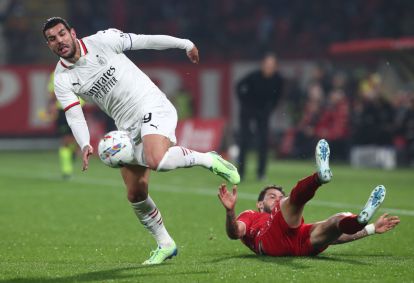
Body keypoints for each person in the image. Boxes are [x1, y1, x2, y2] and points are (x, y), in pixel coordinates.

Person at [42, 17, 240, 265]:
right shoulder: (61, 79)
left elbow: (146, 41)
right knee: (136, 193)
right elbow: (74, 114)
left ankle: (206, 158)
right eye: (52, 39)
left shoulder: (103, 41)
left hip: (152, 106)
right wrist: (84, 144)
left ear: (72, 33)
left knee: (155, 159)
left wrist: (185, 43)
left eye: (62, 34)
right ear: (49, 45)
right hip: (126, 126)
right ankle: (165, 244)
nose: (59, 41)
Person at [218, 139, 400, 256]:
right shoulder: (251, 215)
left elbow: (335, 238)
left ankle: (360, 219)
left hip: (299, 244)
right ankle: (319, 178)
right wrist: (230, 211)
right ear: (260, 204)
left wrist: (371, 228)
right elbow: (235, 233)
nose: (277, 199)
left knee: (336, 222)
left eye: (279, 196)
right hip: (269, 242)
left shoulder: (287, 217)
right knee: (291, 203)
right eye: (271, 196)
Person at [236, 53, 284, 181]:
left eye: (272, 65)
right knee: (244, 140)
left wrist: (269, 109)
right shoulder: (254, 76)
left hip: (263, 112)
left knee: (263, 141)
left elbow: (277, 97)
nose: (269, 67)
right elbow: (239, 86)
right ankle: (240, 172)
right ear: (263, 65)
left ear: (275, 67)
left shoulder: (278, 79)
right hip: (248, 111)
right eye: (267, 64)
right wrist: (244, 102)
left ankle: (261, 173)